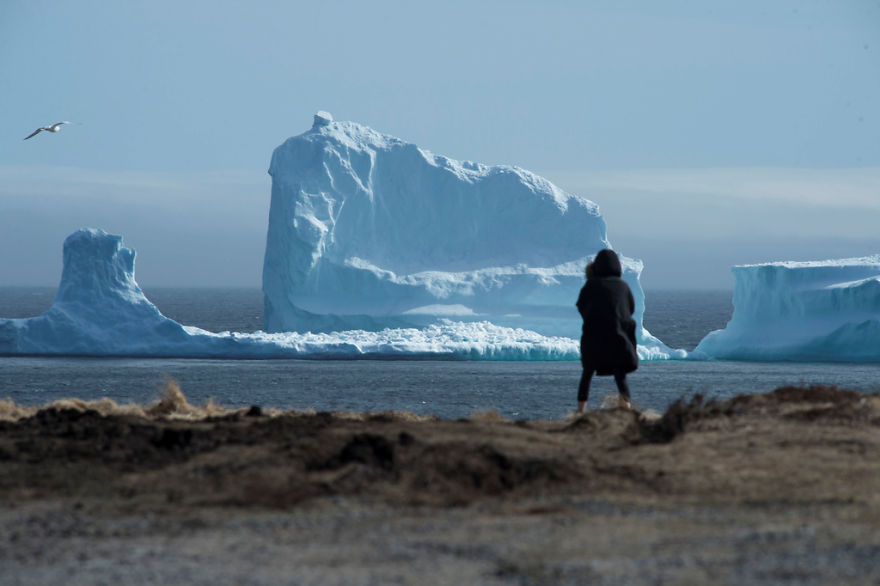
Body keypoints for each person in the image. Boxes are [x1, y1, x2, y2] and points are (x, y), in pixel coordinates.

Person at [575, 249, 638, 413]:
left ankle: (581, 411)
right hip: (618, 337)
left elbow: (581, 306)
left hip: (593, 338)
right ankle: (627, 409)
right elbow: (630, 309)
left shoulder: (590, 285)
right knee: (620, 374)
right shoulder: (623, 287)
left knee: (587, 374)